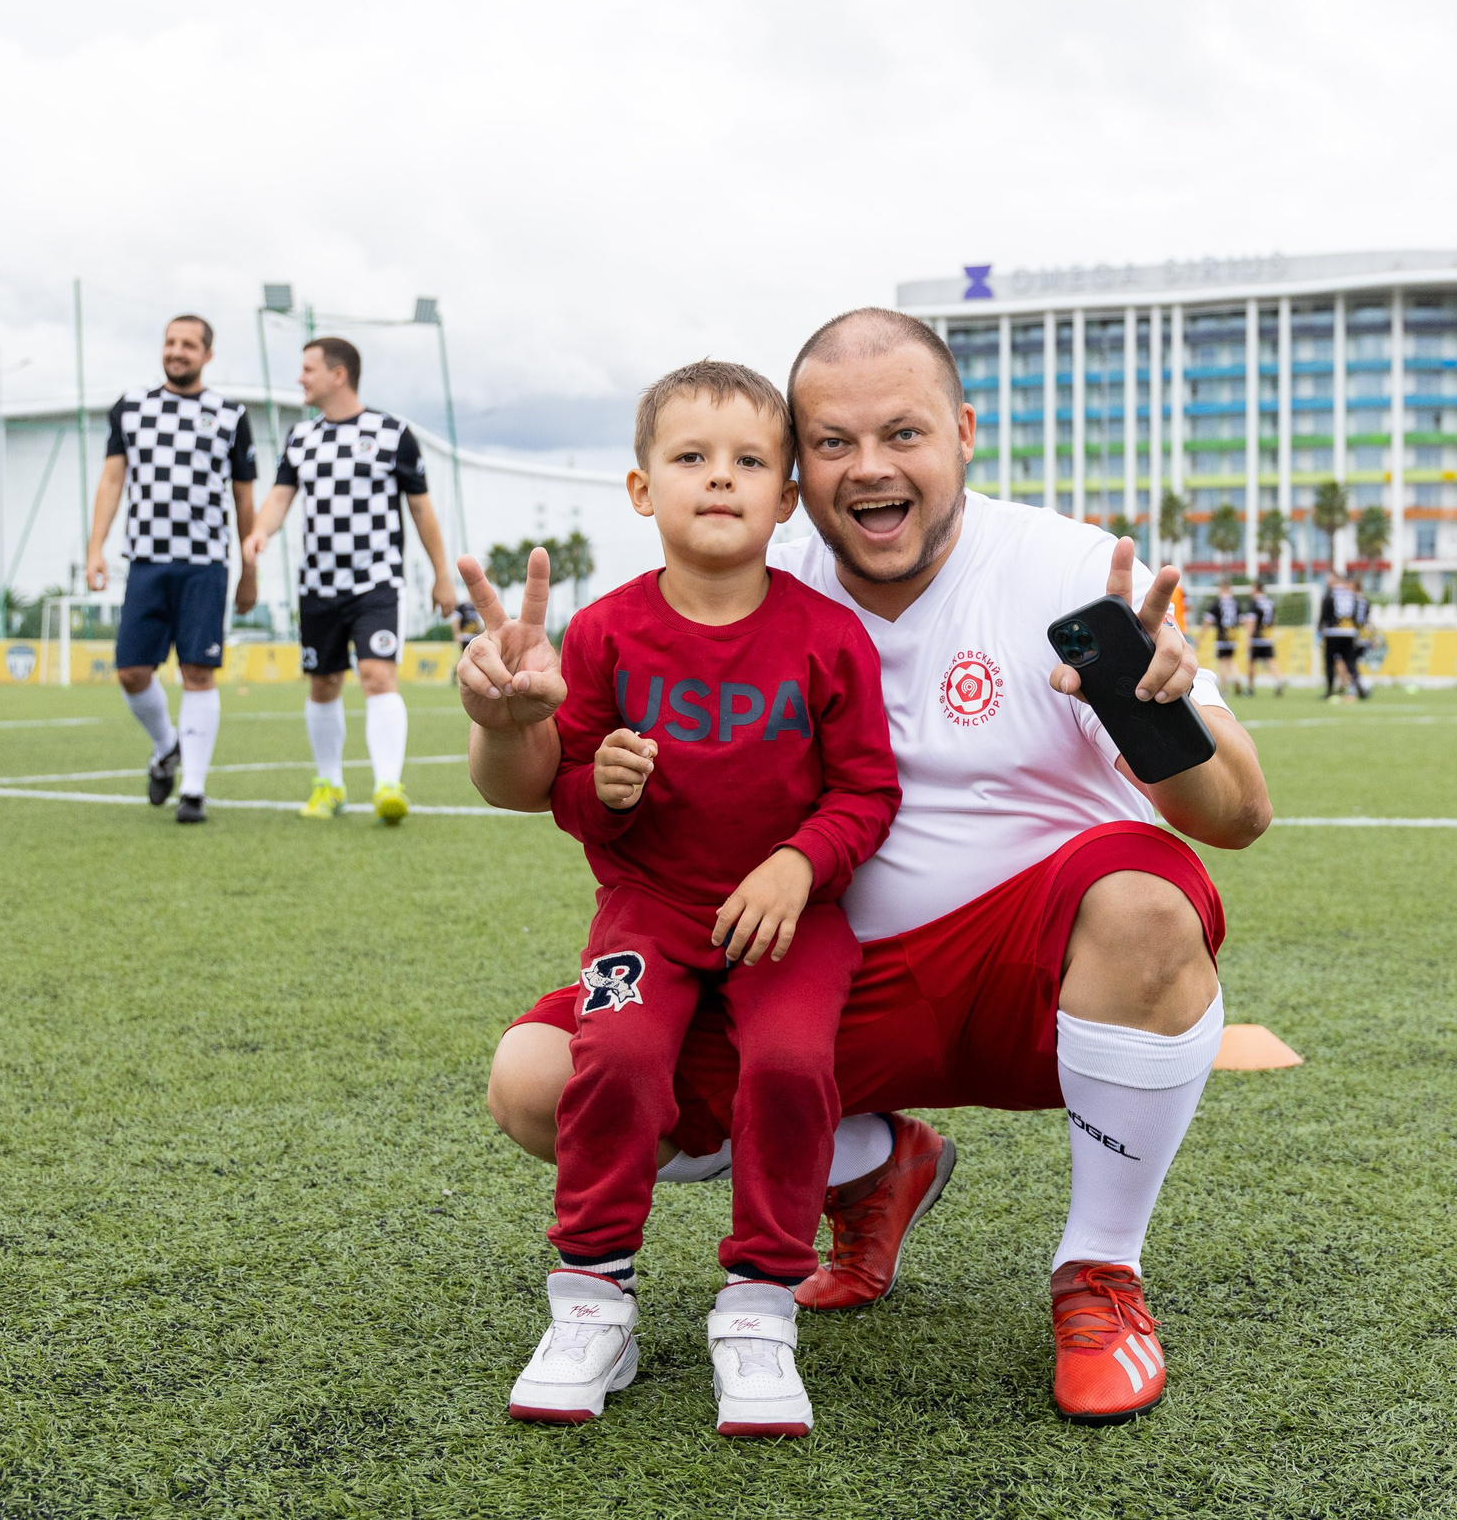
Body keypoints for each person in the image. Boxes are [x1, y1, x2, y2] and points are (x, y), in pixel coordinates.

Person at [473, 309, 1272, 1427]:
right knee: (539, 1084)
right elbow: (533, 785)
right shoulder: (744, 567)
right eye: (831, 442)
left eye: (903, 433)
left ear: (963, 433)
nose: (870, 468)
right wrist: (513, 723)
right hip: (802, 969)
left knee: (1143, 900)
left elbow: (1239, 816)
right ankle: (870, 1165)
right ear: (796, 470)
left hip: (1022, 983)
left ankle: (1099, 1270)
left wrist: (1162, 712)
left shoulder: (1073, 568)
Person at [471, 361, 899, 1436]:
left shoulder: (827, 634)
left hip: (789, 920)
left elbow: (866, 789)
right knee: (608, 1058)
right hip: (649, 914)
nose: (721, 479)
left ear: (786, 498)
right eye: (691, 459)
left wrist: (800, 862)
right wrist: (599, 788)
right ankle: (591, 1301)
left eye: (750, 461)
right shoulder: (605, 634)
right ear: (639, 489)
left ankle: (759, 1305)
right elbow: (564, 795)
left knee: (794, 1066)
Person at [241, 337, 458, 825]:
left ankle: (387, 785)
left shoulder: (391, 433)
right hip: (318, 584)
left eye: (308, 368)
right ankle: (329, 784)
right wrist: (259, 532)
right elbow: (279, 498)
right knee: (323, 684)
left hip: (377, 583)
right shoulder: (301, 438)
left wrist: (442, 575)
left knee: (378, 674)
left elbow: (420, 508)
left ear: (339, 375)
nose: (300, 378)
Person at [84, 315, 257, 824]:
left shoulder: (229, 414)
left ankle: (195, 792)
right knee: (132, 671)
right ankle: (167, 747)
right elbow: (112, 480)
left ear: (207, 355)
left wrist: (249, 569)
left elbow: (244, 497)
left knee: (197, 671)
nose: (177, 351)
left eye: (189, 344)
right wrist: (96, 547)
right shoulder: (132, 406)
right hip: (146, 560)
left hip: (206, 564)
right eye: (170, 342)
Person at [1318, 574, 1369, 700]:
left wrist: (1320, 629)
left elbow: (1324, 615)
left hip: (1333, 632)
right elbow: (1359, 616)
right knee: (1350, 661)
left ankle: (1330, 690)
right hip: (1350, 632)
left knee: (1330, 662)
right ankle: (1359, 687)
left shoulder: (1330, 595)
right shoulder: (1352, 596)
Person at [1245, 579, 1279, 696]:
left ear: (1255, 588)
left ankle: (1250, 688)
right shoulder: (1270, 602)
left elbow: (1252, 622)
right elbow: (1274, 620)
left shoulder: (1255, 603)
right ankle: (1278, 682)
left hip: (1256, 638)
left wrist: (1248, 638)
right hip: (1267, 637)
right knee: (1270, 660)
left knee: (1251, 662)